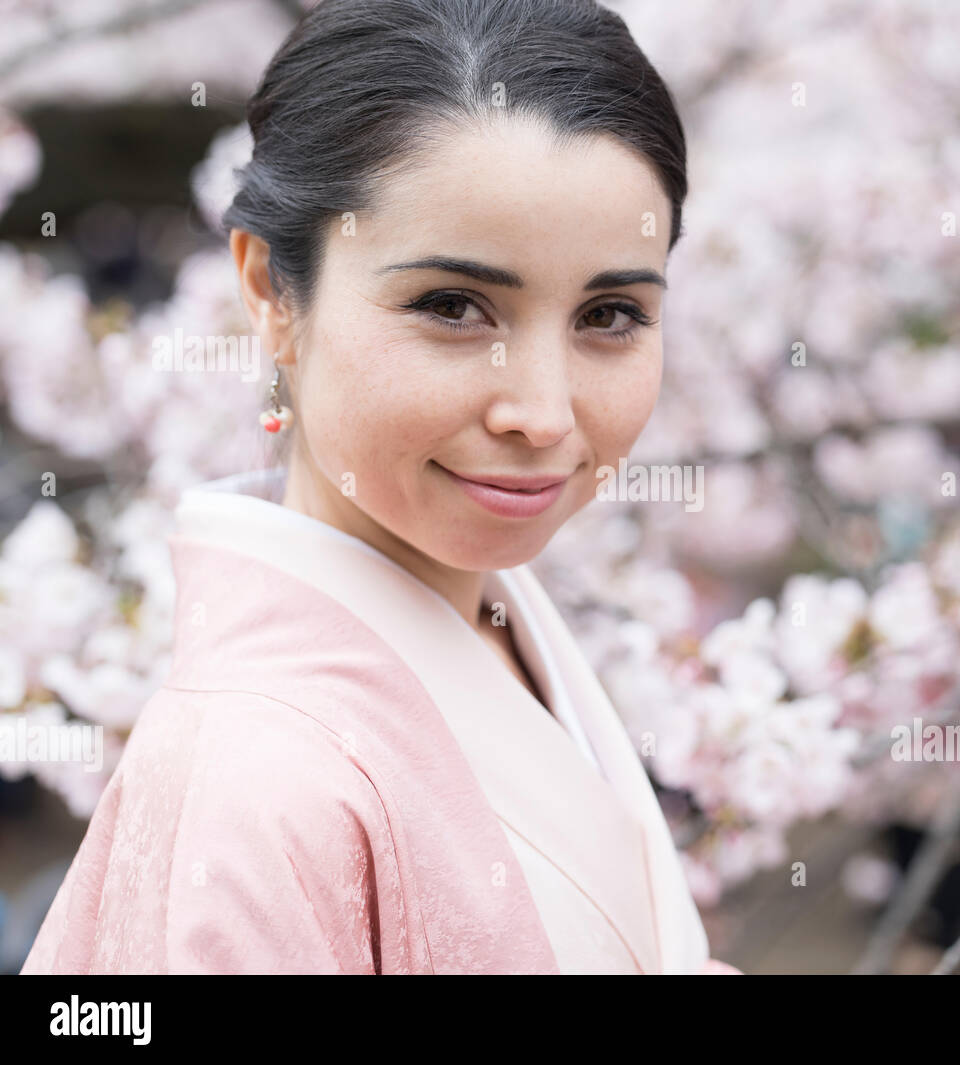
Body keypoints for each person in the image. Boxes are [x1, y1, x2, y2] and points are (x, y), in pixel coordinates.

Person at [22, 0, 741, 975]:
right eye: (451, 306)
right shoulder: (258, 774)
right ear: (273, 292)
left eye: (610, 314)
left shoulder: (498, 621)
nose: (543, 412)